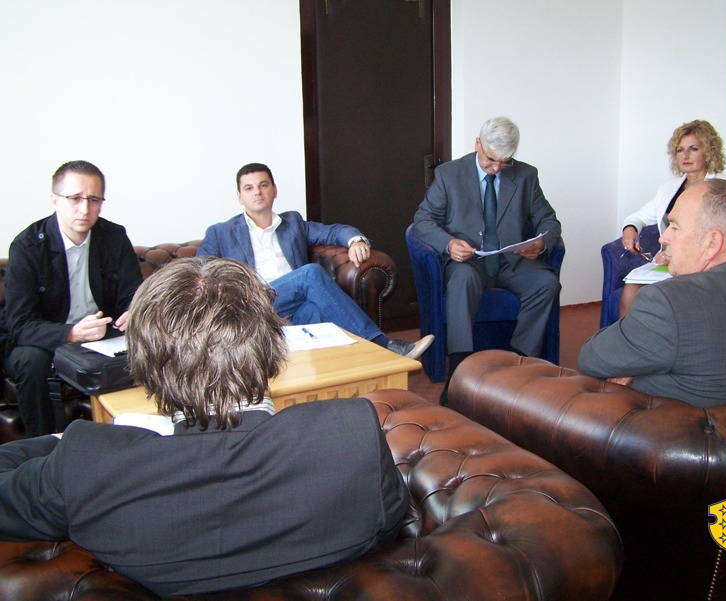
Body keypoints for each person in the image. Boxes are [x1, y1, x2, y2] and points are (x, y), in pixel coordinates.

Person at [0, 257, 409, 597]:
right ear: (273, 346)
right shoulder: (352, 431)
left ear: (143, 366)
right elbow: (390, 520)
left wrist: (60, 440)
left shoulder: (86, 464)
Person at [579, 179, 726, 407]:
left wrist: (636, 371)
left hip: (675, 427)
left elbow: (592, 358)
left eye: (674, 227)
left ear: (711, 243)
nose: (663, 238)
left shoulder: (669, 302)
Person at [198, 163, 433, 359]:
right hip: (252, 303)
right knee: (309, 274)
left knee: (312, 311)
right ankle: (383, 346)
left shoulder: (292, 223)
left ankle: (340, 379)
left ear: (274, 190)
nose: (257, 192)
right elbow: (199, 270)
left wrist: (356, 241)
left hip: (290, 304)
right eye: (249, 188)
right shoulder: (221, 232)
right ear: (239, 196)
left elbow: (334, 231)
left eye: (263, 185)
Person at [412, 116, 561, 389]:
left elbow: (549, 221)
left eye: (504, 162)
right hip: (469, 261)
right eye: (491, 160)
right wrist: (449, 243)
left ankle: (519, 363)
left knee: (546, 283)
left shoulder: (526, 175)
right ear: (477, 144)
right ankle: (459, 371)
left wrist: (541, 243)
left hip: (511, 261)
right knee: (462, 280)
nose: (496, 168)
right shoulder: (449, 175)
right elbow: (422, 221)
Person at [0, 160, 142, 437]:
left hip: (100, 334)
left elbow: (133, 295)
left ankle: (137, 439)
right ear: (55, 200)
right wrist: (71, 333)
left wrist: (134, 312)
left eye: (94, 199)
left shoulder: (113, 237)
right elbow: (20, 325)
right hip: (41, 340)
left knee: (149, 343)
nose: (85, 209)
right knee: (32, 362)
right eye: (75, 198)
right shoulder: (28, 247)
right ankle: (46, 446)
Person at [617, 120, 726, 317]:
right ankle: (627, 337)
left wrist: (676, 255)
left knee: (668, 295)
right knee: (630, 290)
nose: (685, 155)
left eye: (693, 149)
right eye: (680, 150)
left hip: (706, 263)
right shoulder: (668, 188)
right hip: (668, 262)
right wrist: (630, 230)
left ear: (709, 151)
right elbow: (640, 216)